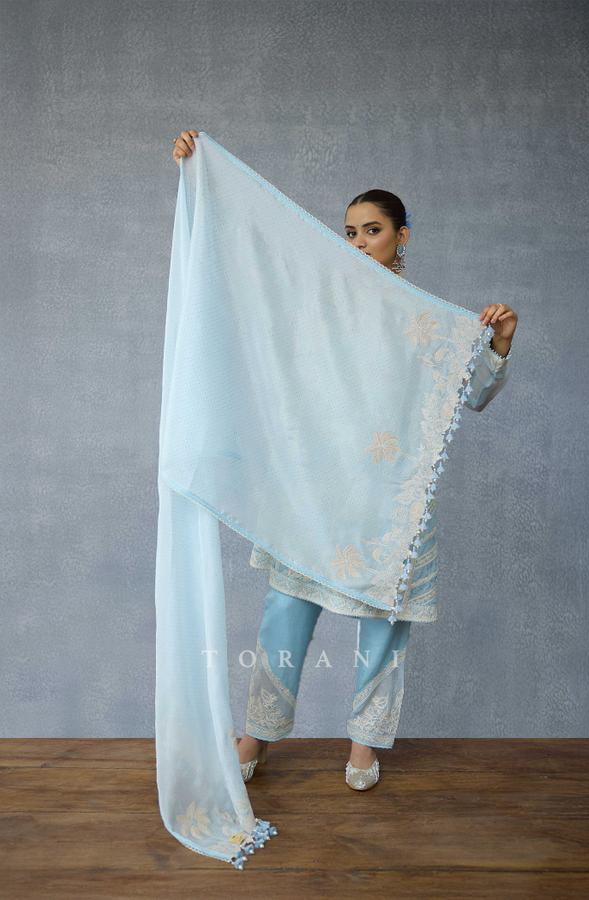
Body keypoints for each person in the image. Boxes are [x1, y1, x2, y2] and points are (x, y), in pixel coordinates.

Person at [172, 129, 519, 790]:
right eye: (351, 232)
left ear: (402, 236)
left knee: (382, 622)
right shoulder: (320, 303)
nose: (359, 243)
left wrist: (499, 342)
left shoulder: (428, 323)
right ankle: (256, 734)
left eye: (372, 231)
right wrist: (200, 176)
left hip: (389, 499)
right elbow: (250, 269)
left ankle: (364, 745)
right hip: (318, 491)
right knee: (285, 612)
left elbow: (471, 395)